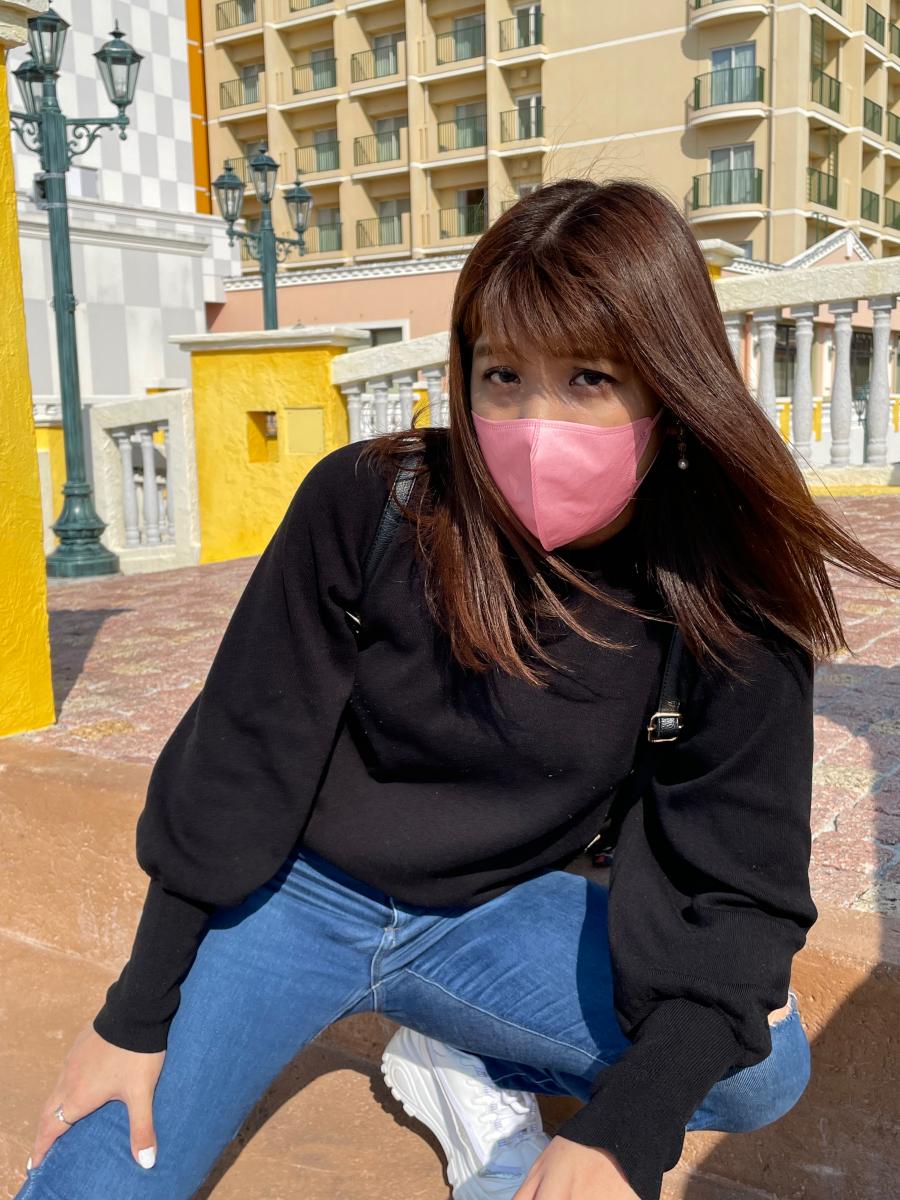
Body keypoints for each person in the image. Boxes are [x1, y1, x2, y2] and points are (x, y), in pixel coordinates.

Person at [16, 177, 900, 1200]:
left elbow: (741, 889)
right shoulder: (373, 503)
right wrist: (133, 1017)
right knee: (96, 1180)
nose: (536, 422)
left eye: (590, 378)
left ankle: (469, 1058)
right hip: (291, 898)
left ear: (669, 384)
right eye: (502, 375)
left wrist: (626, 1131)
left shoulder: (727, 597)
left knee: (757, 1065)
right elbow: (239, 758)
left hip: (495, 914)